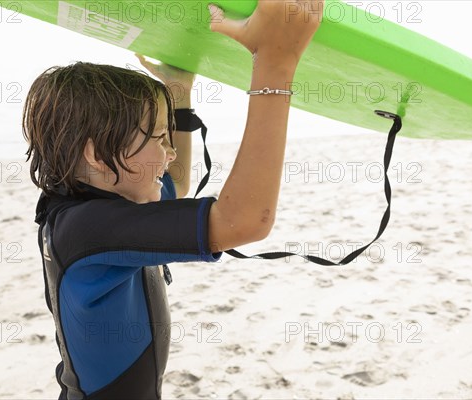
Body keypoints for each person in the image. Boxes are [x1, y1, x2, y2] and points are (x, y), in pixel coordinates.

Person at [24, 0, 323, 398]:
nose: (172, 152)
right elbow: (246, 219)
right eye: (158, 139)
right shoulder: (87, 230)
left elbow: (176, 184)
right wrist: (275, 63)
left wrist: (179, 91)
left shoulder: (100, 203)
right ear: (96, 154)